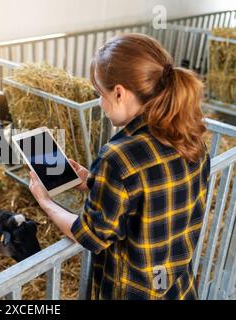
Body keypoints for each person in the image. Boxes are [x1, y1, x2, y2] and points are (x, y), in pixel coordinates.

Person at [28, 33, 210, 300]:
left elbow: (91, 235)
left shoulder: (118, 156)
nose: (101, 103)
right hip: (176, 288)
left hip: (131, 291)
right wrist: (91, 180)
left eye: (99, 94)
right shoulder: (190, 136)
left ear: (119, 92)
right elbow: (147, 195)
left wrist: (46, 202)